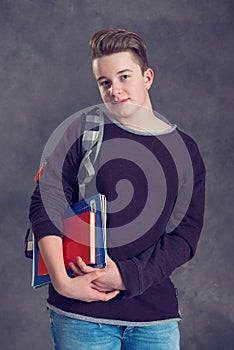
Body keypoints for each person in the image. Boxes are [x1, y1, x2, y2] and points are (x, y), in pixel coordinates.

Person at [29, 29, 206, 350]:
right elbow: (45, 201)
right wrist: (63, 283)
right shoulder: (83, 131)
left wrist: (126, 275)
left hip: (154, 318)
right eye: (105, 82)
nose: (115, 90)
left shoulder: (185, 149)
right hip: (80, 316)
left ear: (147, 76)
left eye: (124, 77)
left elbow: (185, 236)